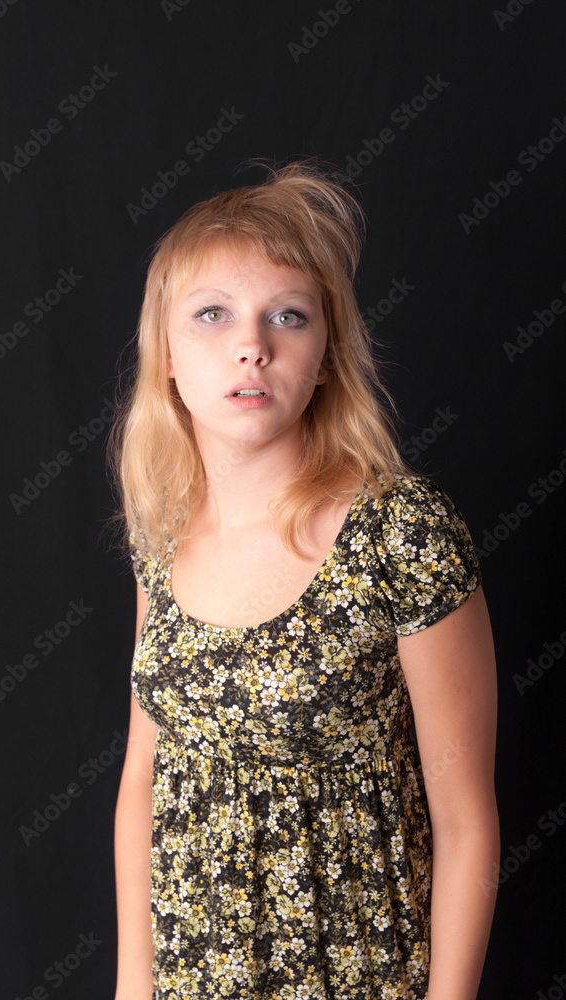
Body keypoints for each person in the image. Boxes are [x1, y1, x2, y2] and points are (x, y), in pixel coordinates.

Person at [109, 161, 500, 1000]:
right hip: (193, 977)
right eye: (212, 315)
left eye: (287, 316)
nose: (252, 343)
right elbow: (144, 775)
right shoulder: (160, 531)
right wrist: (132, 987)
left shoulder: (402, 532)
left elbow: (467, 819)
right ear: (168, 355)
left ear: (324, 358)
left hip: (355, 974)